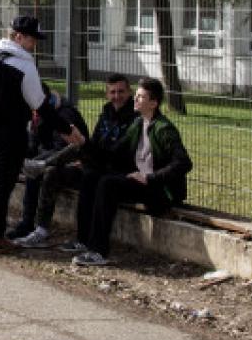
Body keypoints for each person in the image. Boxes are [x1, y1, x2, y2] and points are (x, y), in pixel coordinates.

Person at [0, 15, 84, 255]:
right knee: (1, 183)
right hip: (9, 131)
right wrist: (66, 130)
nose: (34, 45)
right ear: (18, 37)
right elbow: (39, 103)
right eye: (32, 39)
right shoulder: (24, 64)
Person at [71, 78, 193, 267]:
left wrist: (149, 178)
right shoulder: (138, 124)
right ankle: (83, 240)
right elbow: (112, 154)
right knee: (92, 177)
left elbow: (183, 163)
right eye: (136, 95)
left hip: (160, 191)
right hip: (142, 185)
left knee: (108, 184)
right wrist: (84, 144)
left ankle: (98, 251)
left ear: (153, 103)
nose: (135, 99)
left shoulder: (164, 129)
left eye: (141, 96)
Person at [58, 73, 137, 253]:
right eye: (113, 92)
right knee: (83, 176)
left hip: (122, 168)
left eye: (121, 92)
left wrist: (85, 146)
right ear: (107, 94)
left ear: (129, 92)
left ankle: (97, 246)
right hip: (102, 164)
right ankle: (82, 239)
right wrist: (85, 160)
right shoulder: (106, 113)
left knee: (98, 180)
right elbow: (96, 141)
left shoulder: (134, 118)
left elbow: (119, 153)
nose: (117, 96)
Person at [8, 85, 90, 248]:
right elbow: (33, 145)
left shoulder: (64, 115)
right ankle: (27, 222)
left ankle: (37, 227)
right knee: (31, 169)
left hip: (75, 164)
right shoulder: (38, 113)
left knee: (42, 172)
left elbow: (64, 150)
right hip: (52, 160)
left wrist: (37, 162)